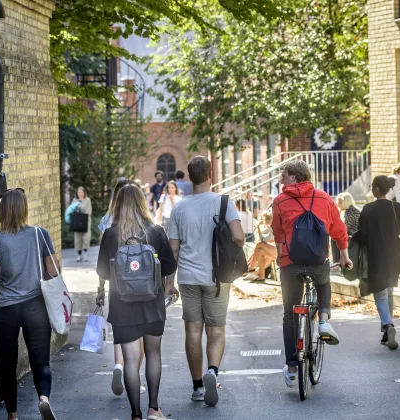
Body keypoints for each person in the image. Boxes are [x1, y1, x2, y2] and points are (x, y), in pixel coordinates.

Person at [0, 188, 60, 420]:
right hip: (35, 306)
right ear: (24, 209)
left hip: (6, 310)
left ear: (2, 211)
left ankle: (12, 415)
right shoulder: (41, 234)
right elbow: (53, 270)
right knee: (40, 360)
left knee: (8, 364)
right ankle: (43, 399)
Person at [167, 156, 245, 407]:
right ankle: (213, 371)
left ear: (189, 178)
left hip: (188, 278)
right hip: (217, 277)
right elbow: (239, 237)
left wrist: (169, 282)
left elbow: (173, 250)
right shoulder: (223, 202)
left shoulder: (179, 207)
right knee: (216, 329)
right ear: (211, 175)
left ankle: (198, 386)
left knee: (192, 330)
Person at [96, 184, 177, 420]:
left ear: (118, 205)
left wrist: (104, 288)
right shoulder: (156, 231)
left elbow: (102, 270)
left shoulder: (111, 234)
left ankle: (136, 415)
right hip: (152, 303)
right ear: (142, 203)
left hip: (122, 306)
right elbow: (170, 266)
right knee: (153, 354)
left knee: (130, 360)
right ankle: (154, 409)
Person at [271, 160, 352, 389]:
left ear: (294, 177)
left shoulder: (280, 201)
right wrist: (344, 256)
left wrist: (280, 256)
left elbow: (277, 233)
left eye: (283, 175)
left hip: (291, 263)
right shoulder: (325, 198)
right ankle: (324, 320)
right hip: (317, 261)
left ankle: (292, 366)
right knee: (324, 283)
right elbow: (339, 230)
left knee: (289, 314)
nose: (280, 180)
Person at [357, 176, 400, 350]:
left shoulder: (368, 209)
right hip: (395, 255)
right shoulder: (397, 208)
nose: (371, 189)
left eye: (372, 187)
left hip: (375, 256)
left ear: (377, 190)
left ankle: (388, 325)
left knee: (380, 294)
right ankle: (387, 332)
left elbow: (362, 236)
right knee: (389, 291)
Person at [247, 211, 277, 282]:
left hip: (281, 252)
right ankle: (261, 276)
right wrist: (258, 227)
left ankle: (251, 266)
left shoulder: (276, 228)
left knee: (259, 244)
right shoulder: (271, 228)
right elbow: (262, 239)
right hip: (275, 252)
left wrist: (258, 227)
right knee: (259, 251)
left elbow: (263, 240)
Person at [332, 192, 361, 262]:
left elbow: (345, 228)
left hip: (354, 237)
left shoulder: (351, 212)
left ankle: (336, 261)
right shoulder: (351, 210)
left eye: (340, 202)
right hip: (352, 235)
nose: (338, 205)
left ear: (346, 202)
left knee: (335, 238)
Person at [73, 186, 92, 262]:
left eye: (81, 192)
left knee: (86, 238)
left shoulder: (88, 200)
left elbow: (89, 211)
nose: (80, 194)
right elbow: (72, 209)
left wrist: (82, 215)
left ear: (84, 193)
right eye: (79, 192)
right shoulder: (74, 200)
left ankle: (85, 254)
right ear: (77, 193)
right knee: (78, 239)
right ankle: (79, 255)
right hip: (77, 222)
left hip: (86, 221)